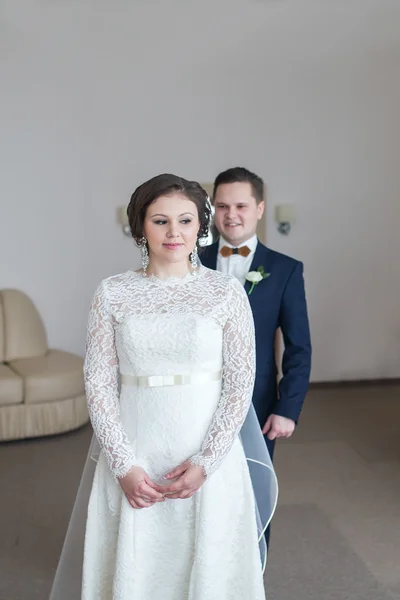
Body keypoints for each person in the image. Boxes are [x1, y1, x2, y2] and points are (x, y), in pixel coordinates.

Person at [49, 173, 277, 600]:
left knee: (207, 563)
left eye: (186, 221)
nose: (174, 232)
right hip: (136, 450)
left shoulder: (226, 292)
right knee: (139, 567)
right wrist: (122, 463)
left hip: (209, 450)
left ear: (200, 227)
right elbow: (97, 381)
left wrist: (208, 460)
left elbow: (240, 382)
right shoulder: (112, 293)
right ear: (140, 227)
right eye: (160, 221)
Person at [201, 166, 312, 461]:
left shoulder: (286, 270)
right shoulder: (192, 263)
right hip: (196, 397)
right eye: (222, 206)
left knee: (253, 482)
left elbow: (299, 348)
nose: (230, 214)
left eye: (241, 206)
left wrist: (287, 409)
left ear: (259, 209)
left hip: (256, 400)